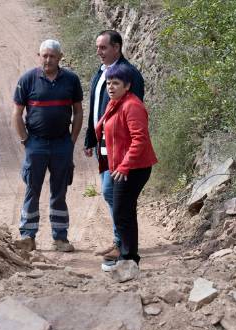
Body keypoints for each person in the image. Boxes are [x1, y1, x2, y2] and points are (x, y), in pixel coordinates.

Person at [12, 39, 83, 252]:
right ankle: (27, 236)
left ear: (60, 57)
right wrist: (25, 140)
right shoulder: (27, 79)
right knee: (32, 189)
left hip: (62, 144)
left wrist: (72, 141)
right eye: (44, 55)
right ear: (39, 56)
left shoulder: (71, 80)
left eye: (52, 56)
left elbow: (78, 111)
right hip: (36, 144)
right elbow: (17, 113)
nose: (48, 60)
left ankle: (60, 238)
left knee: (59, 191)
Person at [83, 30, 145, 260]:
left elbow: (132, 110)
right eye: (98, 47)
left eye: (103, 48)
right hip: (104, 145)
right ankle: (121, 241)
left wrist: (128, 156)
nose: (98, 52)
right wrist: (91, 137)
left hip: (121, 149)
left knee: (115, 195)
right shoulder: (101, 73)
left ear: (117, 48)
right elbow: (96, 107)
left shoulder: (130, 74)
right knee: (113, 195)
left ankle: (123, 244)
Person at [95, 63, 157, 271]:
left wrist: (124, 166)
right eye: (108, 83)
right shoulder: (115, 103)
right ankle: (127, 256)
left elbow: (139, 139)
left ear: (127, 85)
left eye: (116, 83)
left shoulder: (132, 105)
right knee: (124, 211)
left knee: (122, 211)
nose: (111, 87)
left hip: (133, 168)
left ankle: (129, 259)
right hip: (120, 167)